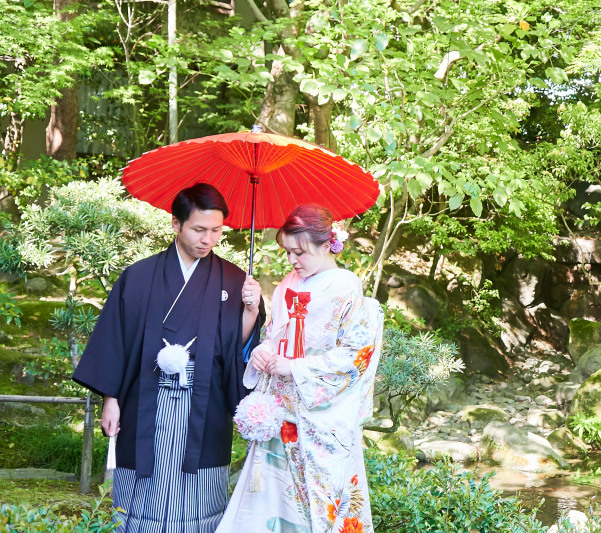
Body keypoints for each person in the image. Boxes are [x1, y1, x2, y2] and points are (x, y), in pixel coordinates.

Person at [73, 183, 265, 533]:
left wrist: (250, 311)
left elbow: (237, 349)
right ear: (176, 224)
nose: (208, 239)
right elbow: (116, 340)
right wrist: (110, 400)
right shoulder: (140, 276)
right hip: (144, 401)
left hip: (204, 403)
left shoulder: (235, 279)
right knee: (142, 487)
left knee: (199, 495)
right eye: (199, 229)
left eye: (216, 231)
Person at [216, 204, 383, 533]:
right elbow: (273, 336)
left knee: (317, 504)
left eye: (300, 252)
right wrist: (263, 355)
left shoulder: (345, 287)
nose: (293, 260)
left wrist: (295, 367)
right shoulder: (285, 285)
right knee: (270, 498)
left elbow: (356, 355)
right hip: (280, 411)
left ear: (326, 245)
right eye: (289, 252)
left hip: (320, 413)